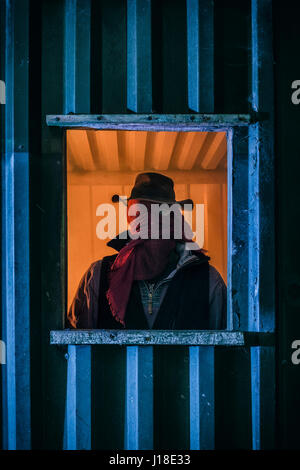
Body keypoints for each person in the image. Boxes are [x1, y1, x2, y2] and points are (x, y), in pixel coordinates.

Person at [66, 172, 227, 330]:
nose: (149, 222)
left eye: (159, 213)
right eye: (141, 213)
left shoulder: (208, 280)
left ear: (173, 218)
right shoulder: (98, 276)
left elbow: (227, 350)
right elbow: (75, 345)